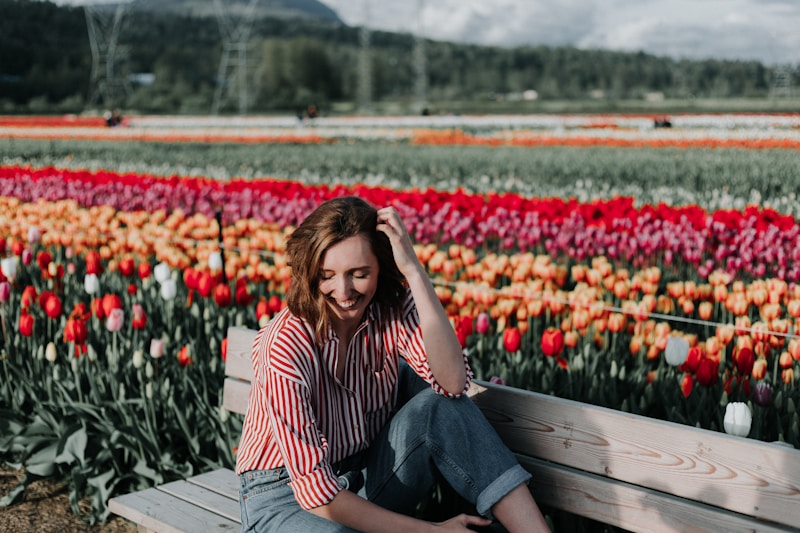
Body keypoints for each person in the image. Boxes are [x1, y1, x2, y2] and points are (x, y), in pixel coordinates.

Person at [236, 196, 550, 532]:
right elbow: (317, 493)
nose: (343, 291)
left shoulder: (389, 308)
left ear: (381, 269)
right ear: (310, 271)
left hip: (362, 472)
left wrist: (413, 269)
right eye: (327, 275)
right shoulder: (284, 344)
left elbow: (453, 383)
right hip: (282, 494)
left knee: (440, 407)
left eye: (359, 274)